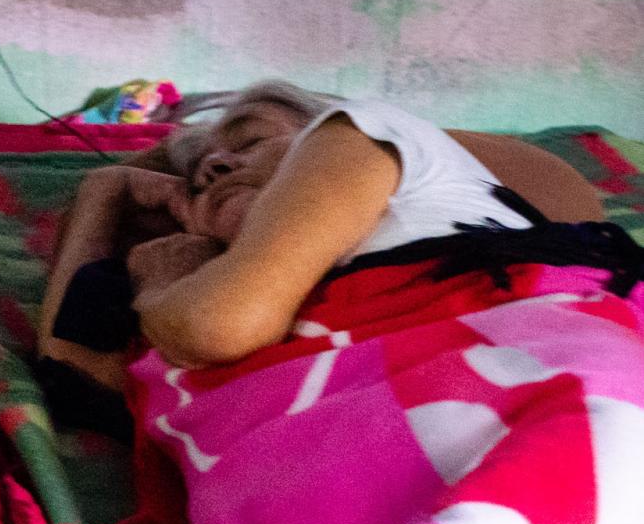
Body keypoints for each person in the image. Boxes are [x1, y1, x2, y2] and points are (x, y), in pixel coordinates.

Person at [41, 79, 606, 385]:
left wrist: (161, 287)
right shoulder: (230, 286)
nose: (214, 169)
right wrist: (104, 190)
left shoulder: (370, 135)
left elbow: (210, 325)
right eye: (197, 177)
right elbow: (71, 367)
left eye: (252, 143)